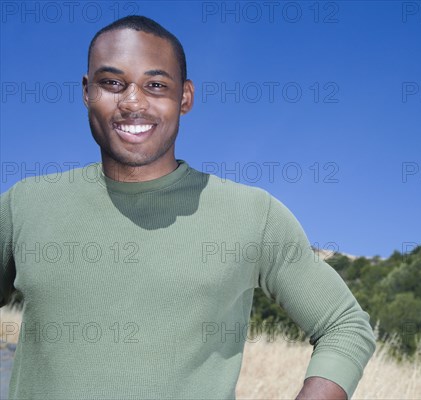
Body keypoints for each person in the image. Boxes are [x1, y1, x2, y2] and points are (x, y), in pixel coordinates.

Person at [0, 15, 376, 400]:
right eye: (112, 83)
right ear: (86, 91)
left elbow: (344, 325)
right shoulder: (25, 203)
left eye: (156, 85)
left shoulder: (252, 215)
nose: (132, 101)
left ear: (185, 97)